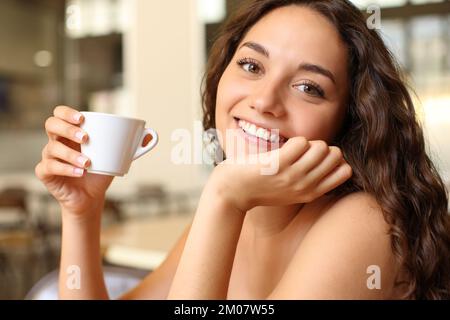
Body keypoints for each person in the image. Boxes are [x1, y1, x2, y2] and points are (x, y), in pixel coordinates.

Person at [35, 0, 450, 300]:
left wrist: (223, 197)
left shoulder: (364, 224)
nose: (265, 100)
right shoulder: (240, 213)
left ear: (350, 120)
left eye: (309, 87)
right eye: (252, 66)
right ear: (221, 75)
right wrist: (82, 213)